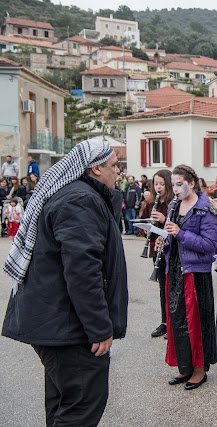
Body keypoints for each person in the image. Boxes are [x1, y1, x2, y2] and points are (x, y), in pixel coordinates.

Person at [2, 139, 127, 426]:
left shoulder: (77, 194)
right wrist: (99, 328)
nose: (118, 172)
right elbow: (82, 271)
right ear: (95, 168)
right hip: (69, 327)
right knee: (81, 406)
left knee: (63, 403)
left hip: (59, 323)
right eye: (113, 166)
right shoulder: (79, 200)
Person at [161, 165, 217, 390]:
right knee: (177, 321)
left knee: (197, 323)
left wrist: (180, 233)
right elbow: (172, 238)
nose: (175, 189)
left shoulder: (207, 209)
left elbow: (209, 246)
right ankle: (185, 366)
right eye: (173, 184)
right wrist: (164, 241)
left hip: (195, 273)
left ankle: (199, 370)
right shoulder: (173, 206)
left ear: (192, 183)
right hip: (175, 269)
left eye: (179, 184)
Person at [140, 170, 174, 339]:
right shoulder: (150, 203)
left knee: (171, 286)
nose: (158, 187)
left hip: (171, 250)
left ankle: (173, 322)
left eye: (162, 184)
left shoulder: (172, 203)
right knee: (162, 287)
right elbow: (142, 223)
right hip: (157, 250)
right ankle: (164, 322)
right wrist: (146, 228)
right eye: (156, 184)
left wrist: (162, 219)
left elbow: (175, 226)